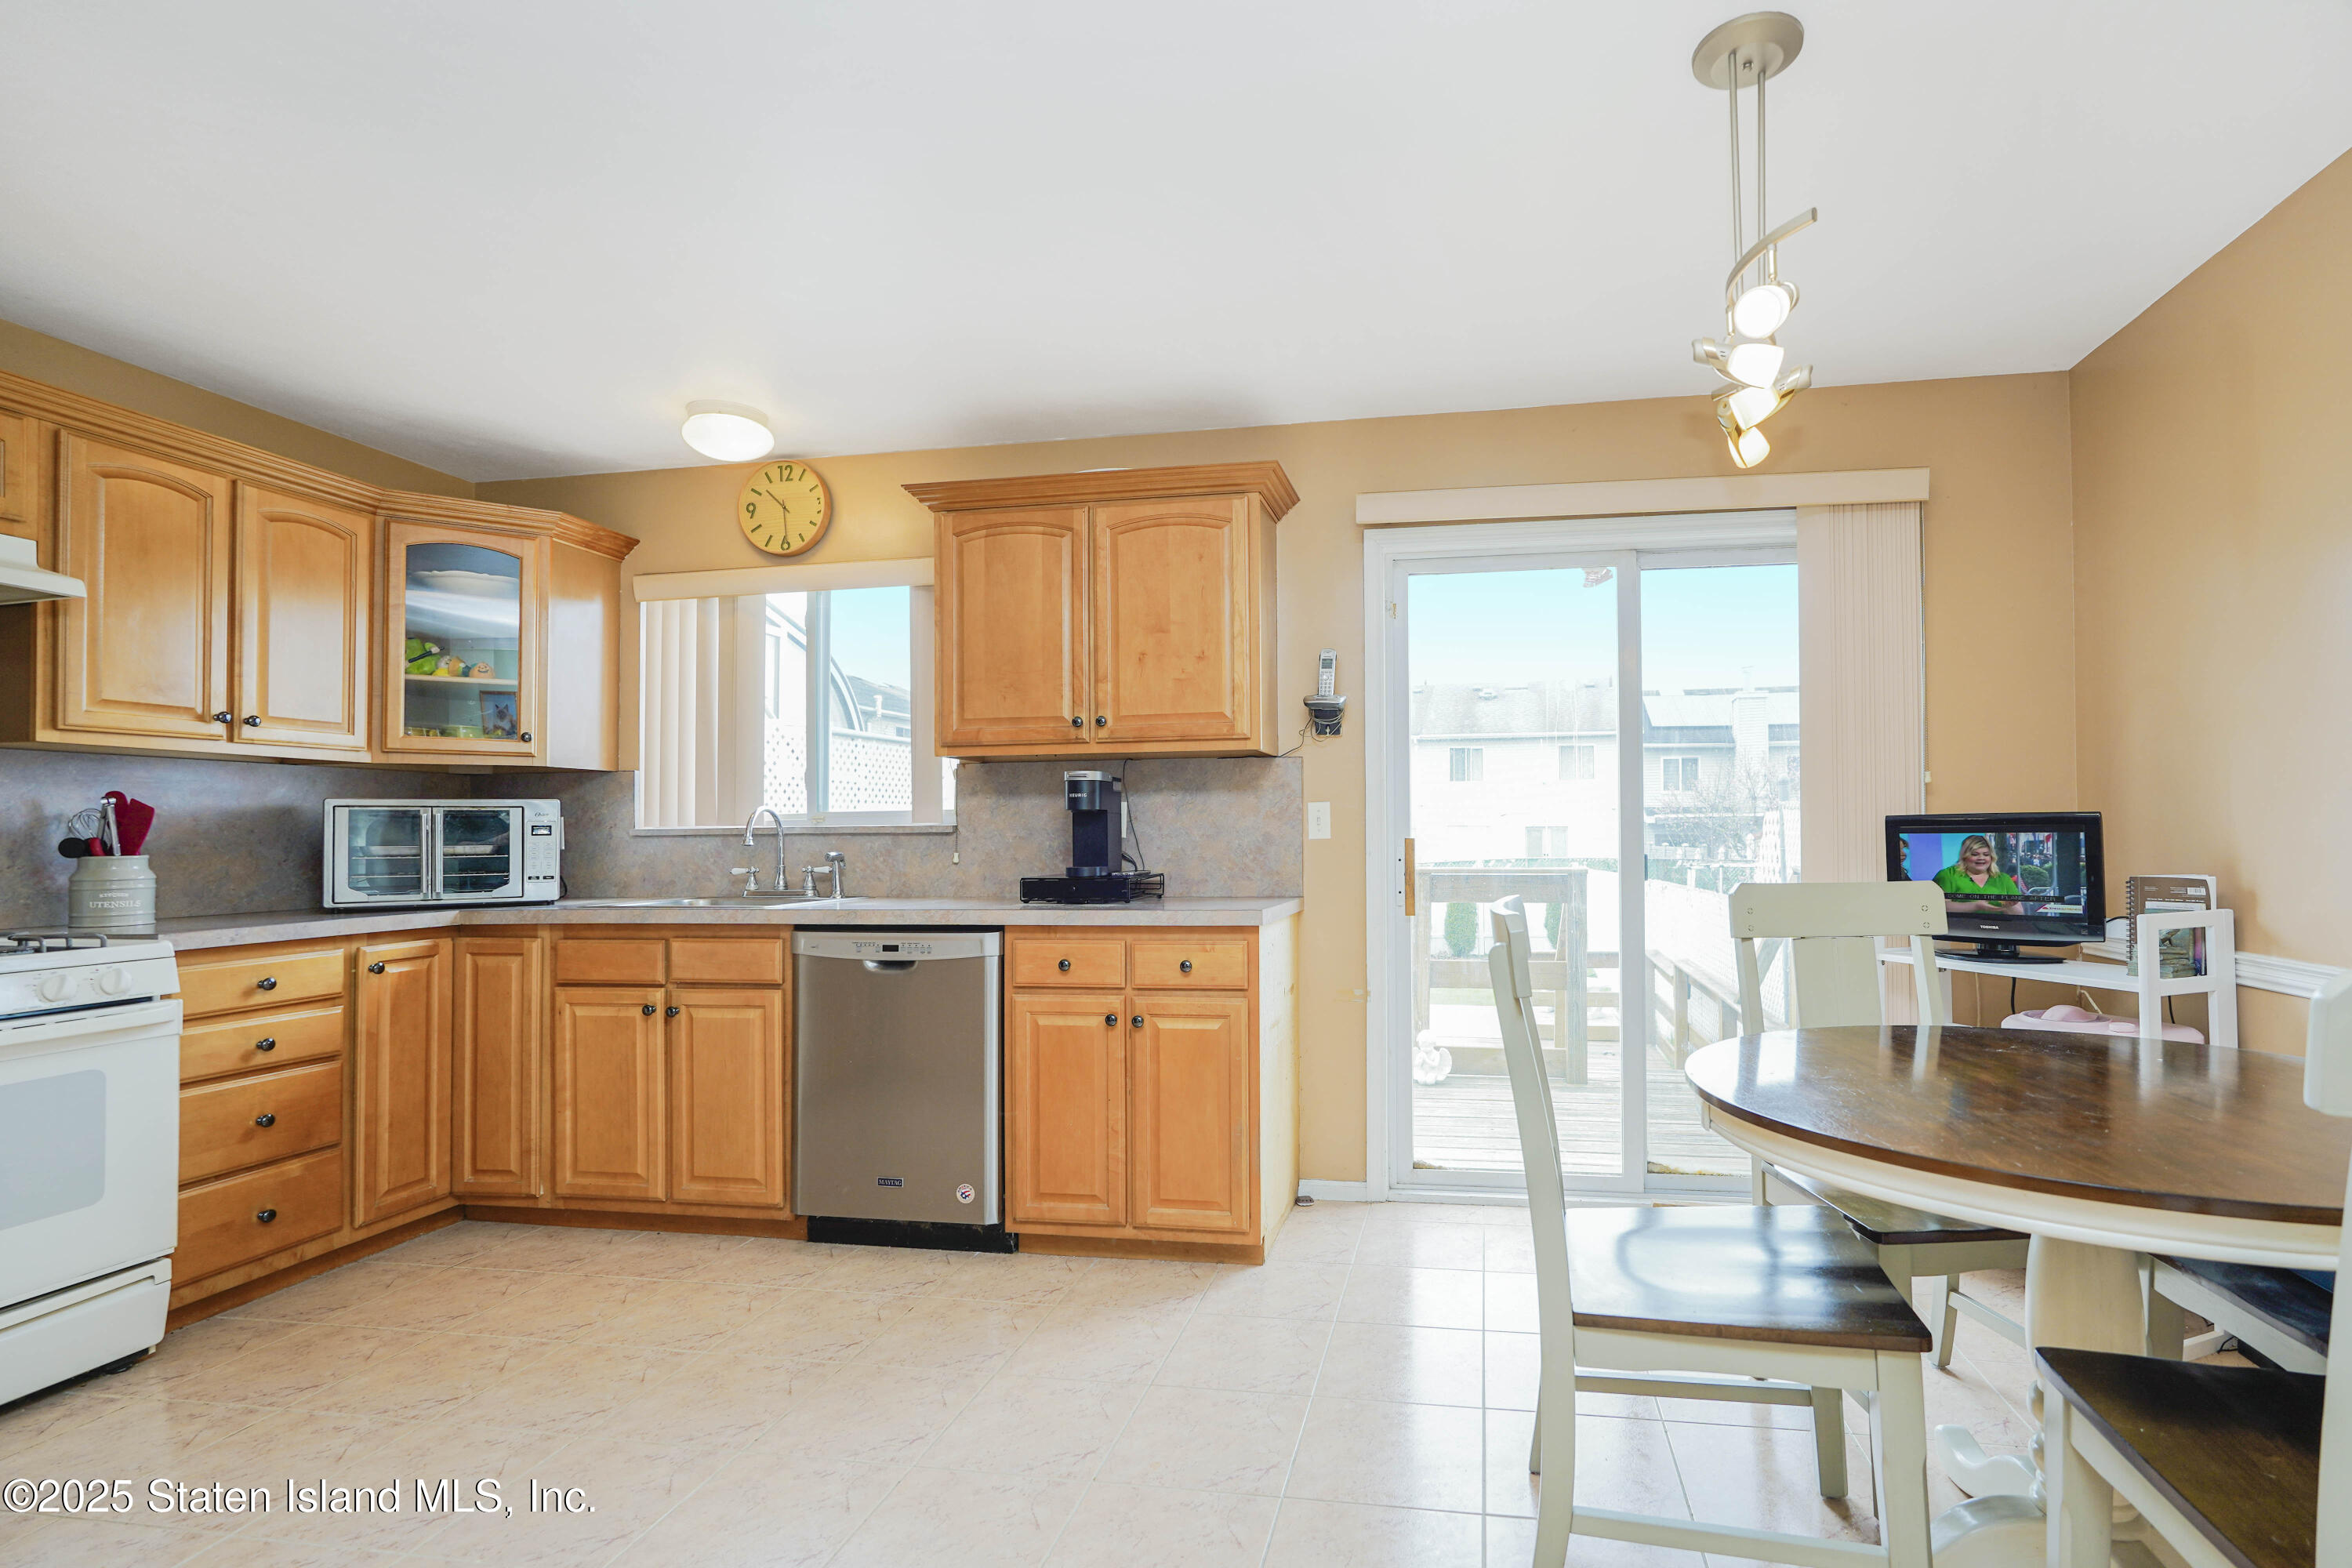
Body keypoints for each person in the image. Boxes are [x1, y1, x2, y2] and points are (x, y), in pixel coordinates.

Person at [1934, 833, 2023, 915]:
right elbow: (1938, 906)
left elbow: (2020, 913)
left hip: (1999, 929)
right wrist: (1975, 906)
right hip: (1959, 929)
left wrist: (2007, 907)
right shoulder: (1947, 875)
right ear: (1964, 856)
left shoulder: (2004, 879)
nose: (1981, 858)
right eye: (1975, 854)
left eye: (1986, 854)